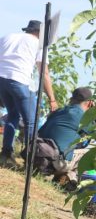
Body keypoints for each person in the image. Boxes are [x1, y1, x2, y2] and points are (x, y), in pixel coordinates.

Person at [0, 20, 58, 167]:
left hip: (1, 79)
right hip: (18, 80)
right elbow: (43, 73)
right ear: (39, 33)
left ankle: (6, 153)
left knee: (12, 115)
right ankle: (31, 160)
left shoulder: (8, 37)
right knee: (30, 122)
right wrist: (52, 99)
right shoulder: (38, 45)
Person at [38, 87, 94, 182]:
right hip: (56, 161)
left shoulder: (58, 111)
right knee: (95, 151)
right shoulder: (84, 117)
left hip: (38, 152)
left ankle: (63, 176)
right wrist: (94, 113)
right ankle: (70, 178)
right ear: (89, 103)